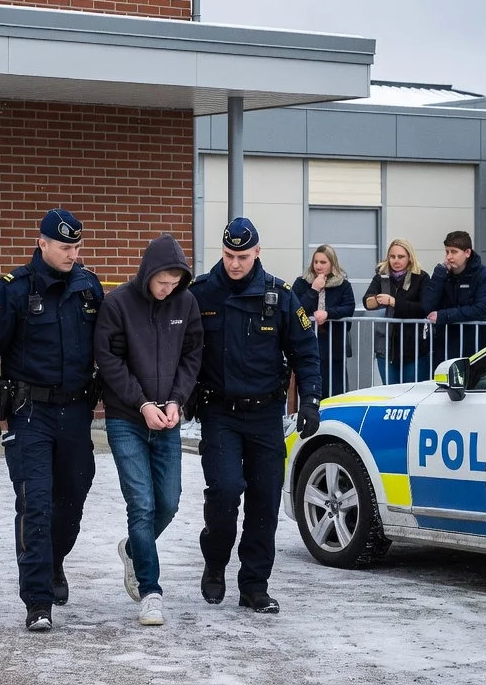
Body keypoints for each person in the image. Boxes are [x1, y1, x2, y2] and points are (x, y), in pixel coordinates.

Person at [0, 208, 104, 633]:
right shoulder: (13, 290)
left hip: (77, 413)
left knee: (72, 501)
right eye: (65, 247)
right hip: (30, 414)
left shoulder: (89, 286)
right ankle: (37, 600)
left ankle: (54, 561)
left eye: (77, 247)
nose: (72, 254)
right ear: (42, 243)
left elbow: (109, 345)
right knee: (35, 504)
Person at [190, 217, 321, 614]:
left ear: (257, 253)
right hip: (219, 413)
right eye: (229, 255)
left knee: (264, 502)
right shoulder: (201, 293)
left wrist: (311, 401)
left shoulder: (279, 296)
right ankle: (215, 561)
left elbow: (305, 352)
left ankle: (254, 585)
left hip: (266, 414)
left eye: (242, 256)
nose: (234, 264)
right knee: (226, 491)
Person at [94, 234, 203, 627]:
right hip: (127, 418)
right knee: (141, 503)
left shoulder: (185, 303)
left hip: (168, 419)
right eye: (162, 283)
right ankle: (150, 591)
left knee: (169, 502)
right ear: (148, 272)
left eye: (174, 284)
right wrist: (142, 404)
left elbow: (192, 355)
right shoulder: (118, 303)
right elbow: (109, 360)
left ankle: (134, 548)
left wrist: (176, 400)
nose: (167, 290)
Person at [422, 230, 486, 362]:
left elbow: (481, 309)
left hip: (475, 346)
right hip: (445, 346)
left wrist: (443, 316)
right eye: (447, 252)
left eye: (454, 252)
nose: (449, 257)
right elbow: (426, 305)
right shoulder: (443, 275)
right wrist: (438, 276)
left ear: (467, 253)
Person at [362, 238, 430, 384]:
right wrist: (374, 301)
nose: (396, 260)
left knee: (412, 391)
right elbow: (367, 300)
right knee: (390, 392)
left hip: (414, 347)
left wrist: (393, 302)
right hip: (387, 348)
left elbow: (423, 308)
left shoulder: (421, 277)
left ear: (410, 258)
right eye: (392, 257)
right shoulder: (381, 277)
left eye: (401, 257)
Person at [292, 245, 355, 398]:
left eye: (323, 262)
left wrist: (328, 313)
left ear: (332, 264)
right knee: (311, 385)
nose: (318, 266)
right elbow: (295, 307)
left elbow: (348, 307)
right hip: (309, 341)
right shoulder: (302, 283)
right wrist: (314, 290)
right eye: (316, 262)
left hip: (333, 344)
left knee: (335, 388)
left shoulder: (342, 284)